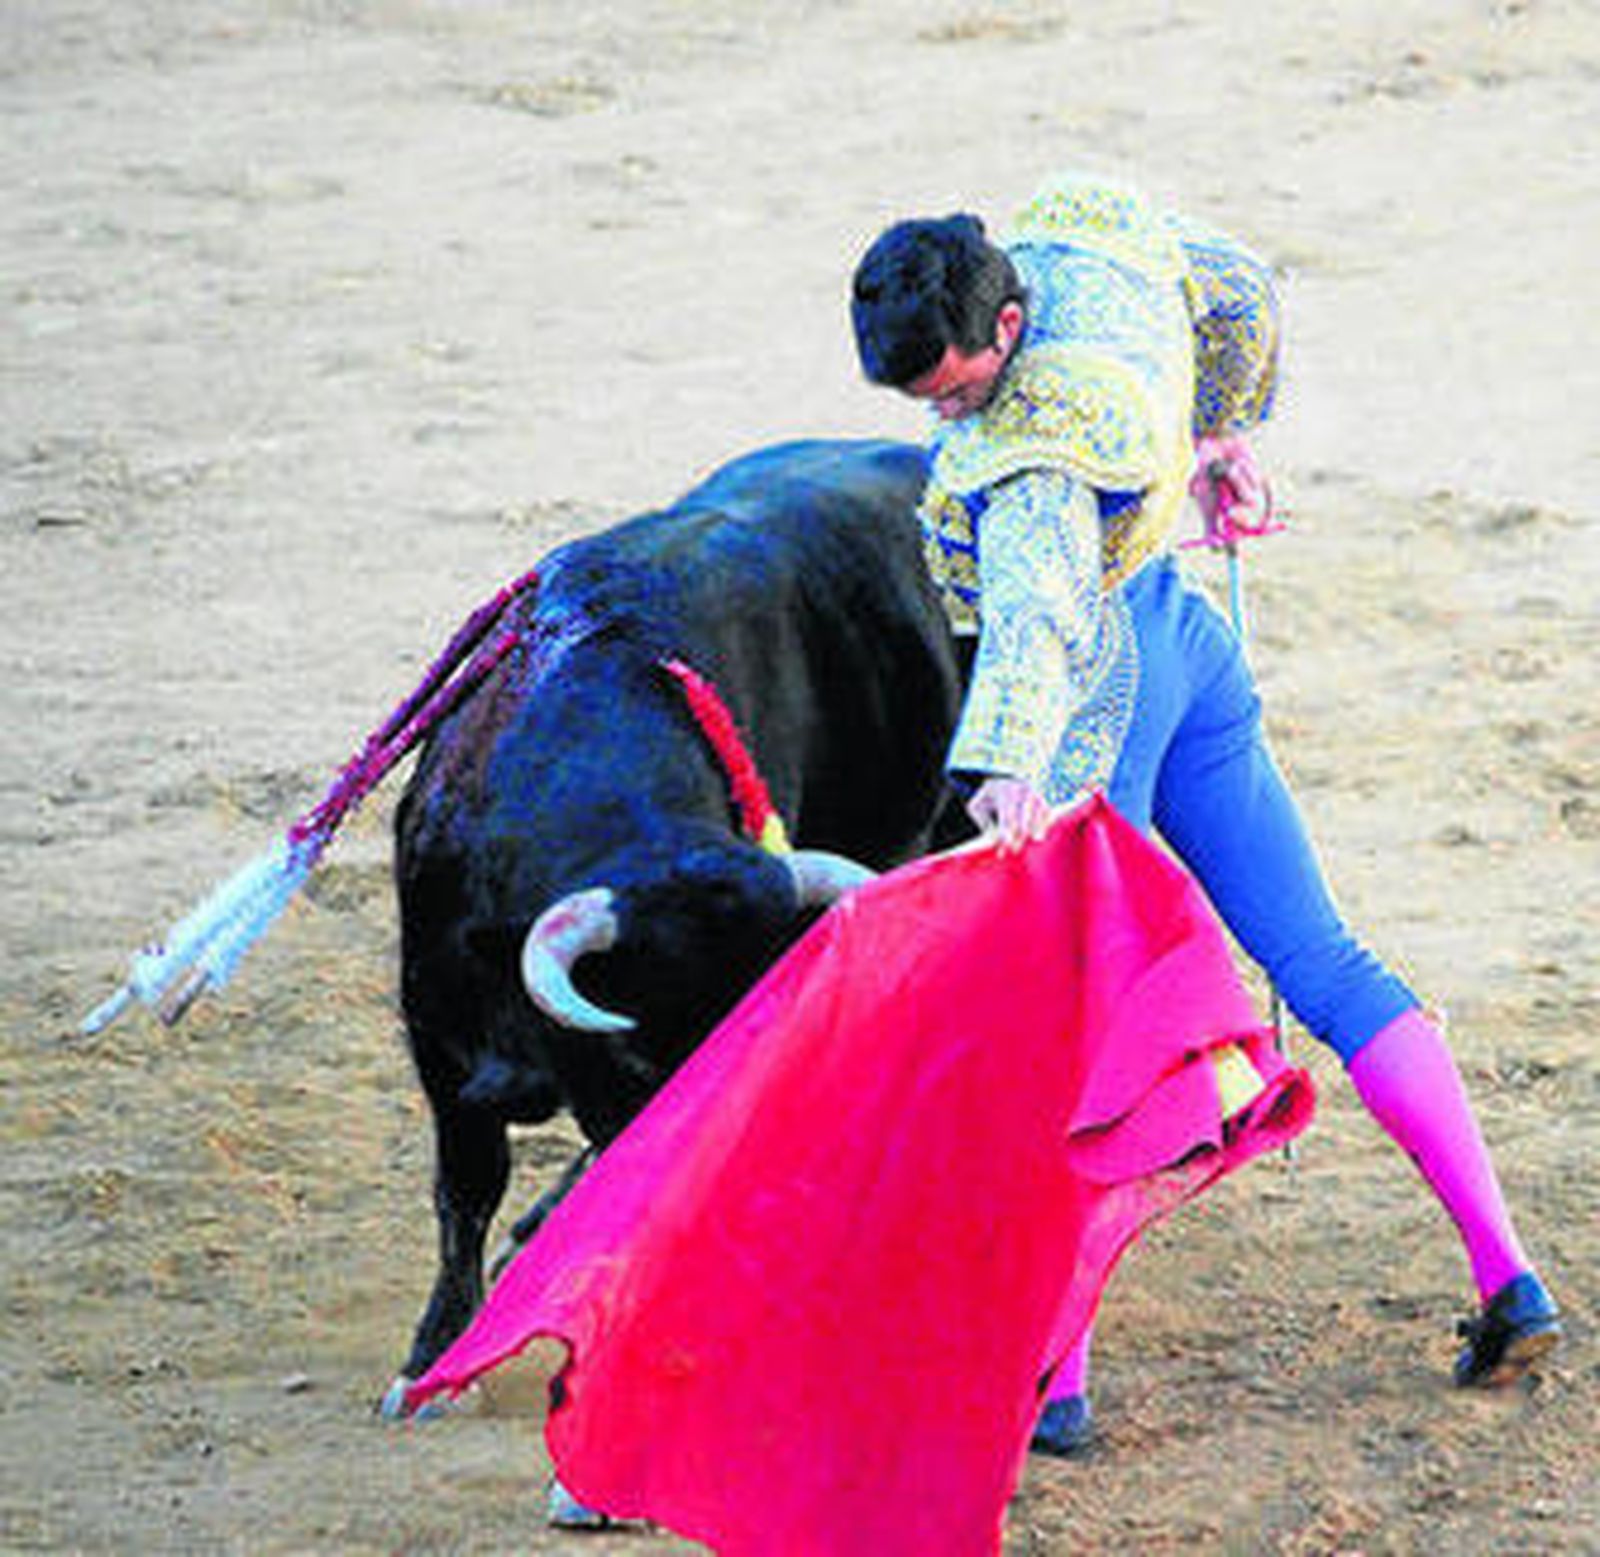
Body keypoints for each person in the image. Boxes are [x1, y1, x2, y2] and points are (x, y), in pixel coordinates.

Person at [849, 171, 1561, 1456]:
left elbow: (1038, 611)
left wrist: (1006, 764)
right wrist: (1222, 436)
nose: (946, 411)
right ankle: (1508, 1275)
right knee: (1323, 960)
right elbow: (1231, 288)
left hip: (1099, 694)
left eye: (951, 386)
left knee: (1069, 1037)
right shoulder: (1081, 241)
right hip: (1188, 640)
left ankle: (1057, 1384)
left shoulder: (1027, 455)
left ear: (1002, 328)